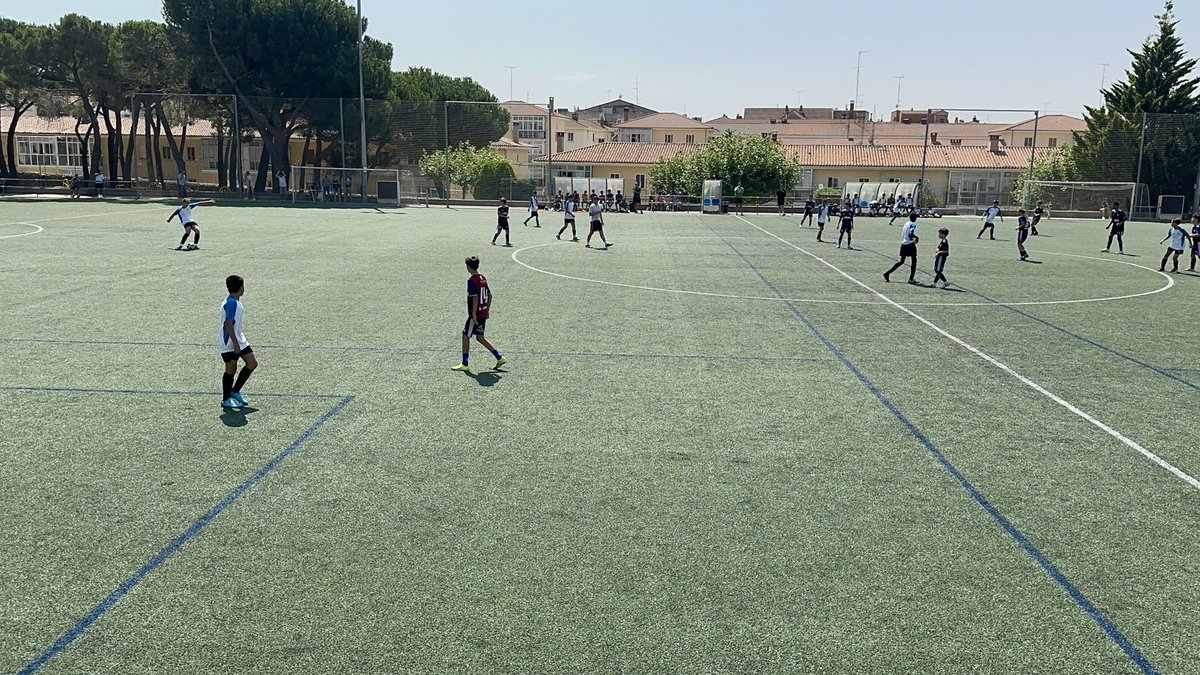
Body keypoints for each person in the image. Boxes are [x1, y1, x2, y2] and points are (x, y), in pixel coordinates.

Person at [452, 256, 506, 373]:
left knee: (466, 335)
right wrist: (487, 309)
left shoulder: (472, 280)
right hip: (483, 312)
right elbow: (490, 295)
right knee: (480, 337)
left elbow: (475, 297)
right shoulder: (483, 278)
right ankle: (499, 357)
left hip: (475, 314)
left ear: (468, 267)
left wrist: (474, 315)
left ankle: (465, 364)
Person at [219, 274, 258, 410]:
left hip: (239, 339)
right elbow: (228, 323)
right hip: (229, 341)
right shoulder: (231, 303)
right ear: (241, 288)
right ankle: (226, 399)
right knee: (231, 369)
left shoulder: (235, 301)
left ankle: (235, 392)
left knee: (252, 363)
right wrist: (235, 343)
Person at [884, 213, 920, 284]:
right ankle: (911, 279)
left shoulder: (906, 223)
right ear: (915, 218)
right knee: (914, 261)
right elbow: (910, 233)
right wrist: (916, 237)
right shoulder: (913, 224)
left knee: (901, 261)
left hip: (903, 244)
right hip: (910, 244)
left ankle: (887, 273)